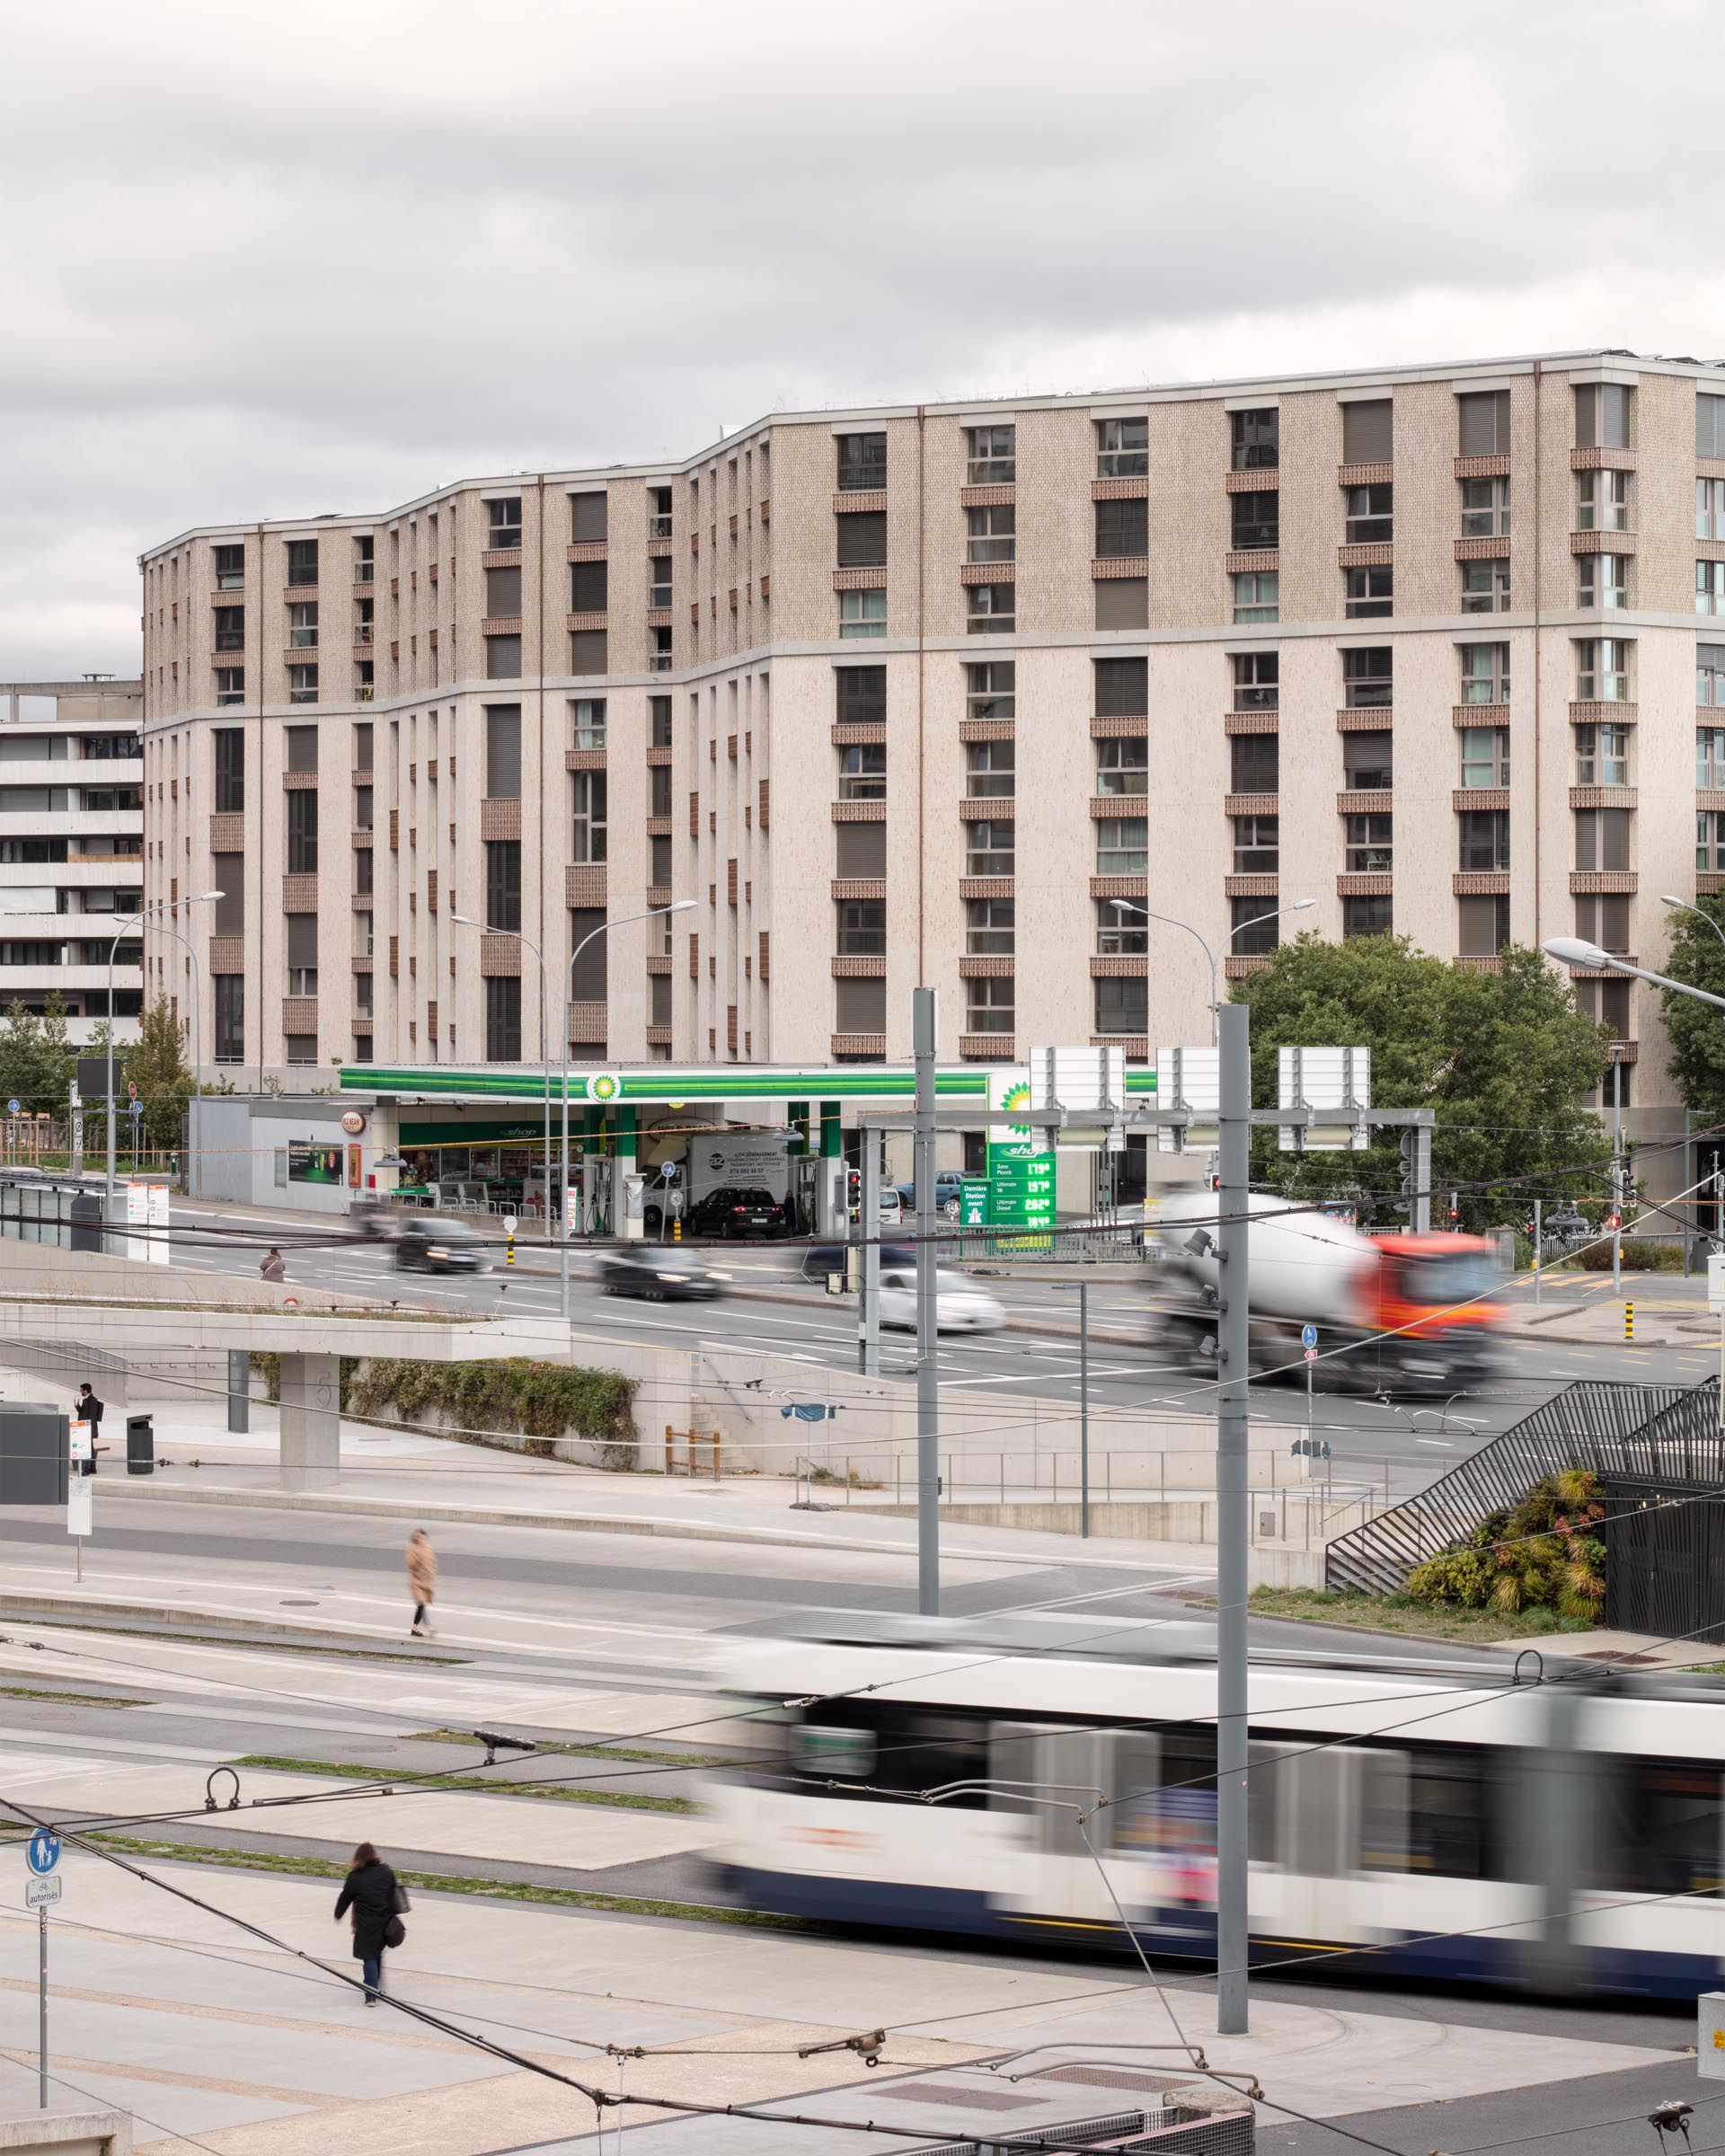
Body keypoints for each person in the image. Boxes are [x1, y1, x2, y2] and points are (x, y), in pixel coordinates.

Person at [333, 1841, 401, 2006]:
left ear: (358, 1857)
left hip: (365, 1923)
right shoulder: (386, 1871)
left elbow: (345, 1898)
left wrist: (338, 1914)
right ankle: (376, 1986)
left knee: (368, 1956)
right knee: (377, 1951)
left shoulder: (355, 1877)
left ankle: (371, 1996)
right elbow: (393, 1892)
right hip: (384, 1920)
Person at [407, 1528, 437, 1639]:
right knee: (421, 1603)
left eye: (421, 1537)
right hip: (415, 1581)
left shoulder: (429, 1548)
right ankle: (429, 1627)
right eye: (417, 1537)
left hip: (426, 1581)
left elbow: (433, 1563)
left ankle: (414, 1628)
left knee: (421, 1605)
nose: (419, 1538)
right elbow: (410, 1564)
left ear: (425, 1537)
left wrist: (431, 1574)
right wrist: (418, 1557)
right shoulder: (412, 1549)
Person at [75, 1383, 108, 1477]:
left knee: (87, 1448)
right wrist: (77, 1405)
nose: (80, 1391)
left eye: (81, 1390)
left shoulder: (92, 1400)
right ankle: (92, 1468)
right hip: (86, 1428)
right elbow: (82, 1412)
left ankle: (86, 1469)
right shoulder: (86, 1400)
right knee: (90, 1448)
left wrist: (87, 1429)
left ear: (85, 1390)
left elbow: (92, 1416)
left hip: (88, 1428)